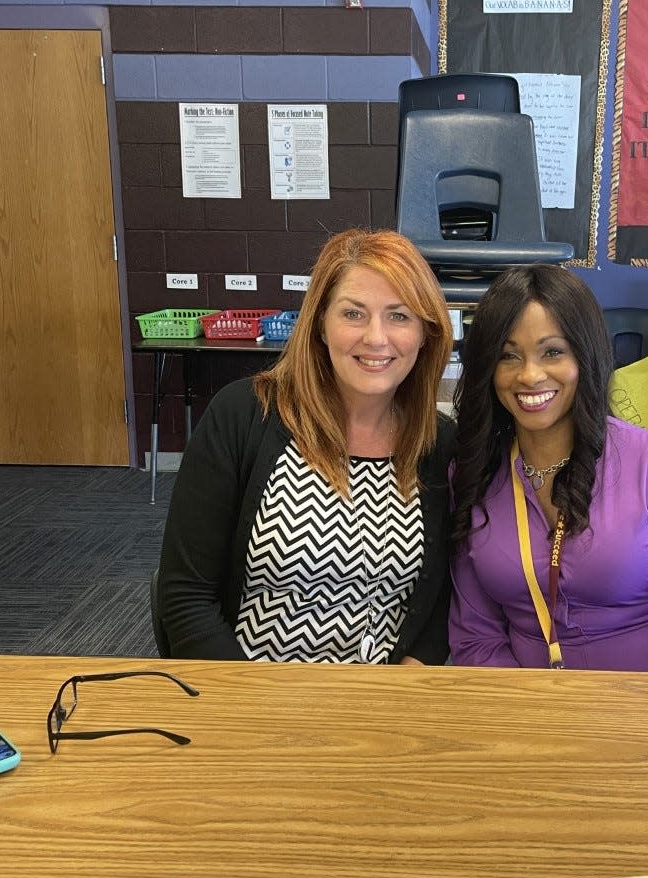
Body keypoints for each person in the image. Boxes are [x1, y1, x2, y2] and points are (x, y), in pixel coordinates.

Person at [157, 229, 454, 664]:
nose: (376, 337)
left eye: (399, 316)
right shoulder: (243, 417)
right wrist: (265, 710)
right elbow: (185, 598)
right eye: (353, 314)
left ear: (426, 333)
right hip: (250, 697)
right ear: (319, 324)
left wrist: (403, 689)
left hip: (378, 703)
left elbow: (442, 595)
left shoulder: (436, 441)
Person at [449, 265, 648, 672]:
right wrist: (525, 722)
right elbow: (476, 637)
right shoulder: (474, 472)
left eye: (552, 352)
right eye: (508, 355)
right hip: (525, 715)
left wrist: (634, 729)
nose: (529, 375)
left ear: (585, 355)